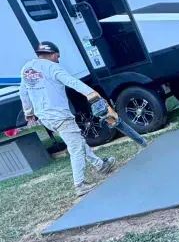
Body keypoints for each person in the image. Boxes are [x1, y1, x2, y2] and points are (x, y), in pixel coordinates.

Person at [19, 42, 116, 198]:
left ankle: (100, 165)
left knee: (77, 141)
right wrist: (94, 95)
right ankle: (80, 184)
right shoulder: (52, 67)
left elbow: (23, 92)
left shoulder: (27, 69)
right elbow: (73, 82)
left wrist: (28, 111)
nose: (58, 59)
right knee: (76, 148)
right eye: (57, 56)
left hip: (45, 117)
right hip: (60, 115)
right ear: (51, 54)